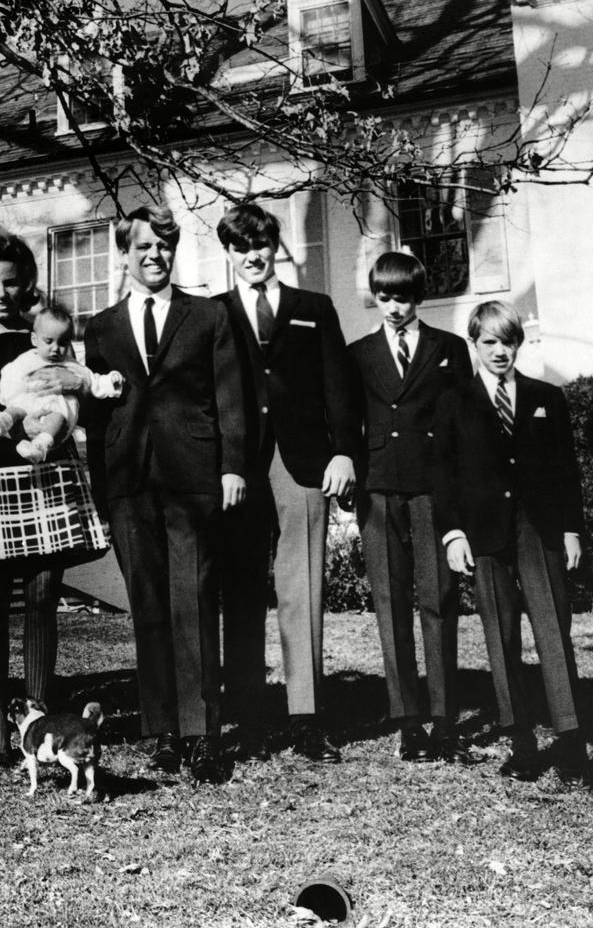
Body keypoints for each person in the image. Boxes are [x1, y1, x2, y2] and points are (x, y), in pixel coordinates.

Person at [83, 205, 246, 784]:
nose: (155, 256)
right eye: (144, 247)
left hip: (193, 474)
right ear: (124, 254)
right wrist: (102, 491)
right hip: (129, 480)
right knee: (148, 606)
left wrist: (231, 467)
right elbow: (96, 416)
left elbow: (230, 397)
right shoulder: (100, 328)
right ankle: (165, 733)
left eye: (164, 247)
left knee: (193, 599)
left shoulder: (206, 316)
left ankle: (203, 734)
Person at [0, 232, 109, 767]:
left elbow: (74, 392)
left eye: (11, 283)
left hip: (46, 474)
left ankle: (38, 718)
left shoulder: (46, 338)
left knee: (42, 597)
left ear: (26, 286)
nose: (1, 292)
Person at [215, 203, 361, 764]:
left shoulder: (313, 308)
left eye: (261, 244)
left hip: (304, 462)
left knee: (302, 590)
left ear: (275, 247)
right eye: (240, 246)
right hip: (239, 468)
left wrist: (344, 451)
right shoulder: (213, 313)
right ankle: (249, 717)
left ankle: (307, 717)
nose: (252, 255)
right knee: (244, 592)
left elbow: (339, 387)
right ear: (228, 253)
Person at [432, 302, 588, 786]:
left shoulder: (547, 397)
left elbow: (566, 468)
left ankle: (570, 741)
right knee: (500, 635)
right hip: (483, 531)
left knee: (552, 629)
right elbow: (443, 473)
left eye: (509, 341)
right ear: (475, 345)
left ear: (520, 343)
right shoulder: (453, 400)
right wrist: (453, 532)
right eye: (489, 343)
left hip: (537, 528)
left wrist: (570, 529)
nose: (500, 352)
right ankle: (520, 739)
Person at [349, 251, 473, 763]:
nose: (394, 307)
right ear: (375, 297)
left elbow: (466, 425)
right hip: (378, 489)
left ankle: (444, 719)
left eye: (403, 297)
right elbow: (348, 422)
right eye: (385, 297)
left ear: (419, 297)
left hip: (432, 488)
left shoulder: (450, 348)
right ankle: (408, 722)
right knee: (390, 602)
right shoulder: (357, 354)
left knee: (438, 599)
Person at [0, 303, 124, 463]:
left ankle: (40, 446)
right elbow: (10, 376)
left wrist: (111, 381)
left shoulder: (71, 365)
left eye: (62, 343)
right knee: (15, 409)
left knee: (57, 419)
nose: (55, 348)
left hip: (57, 412)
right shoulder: (26, 360)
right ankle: (0, 421)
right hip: (28, 406)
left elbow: (92, 381)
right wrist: (9, 397)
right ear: (34, 339)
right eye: (49, 341)